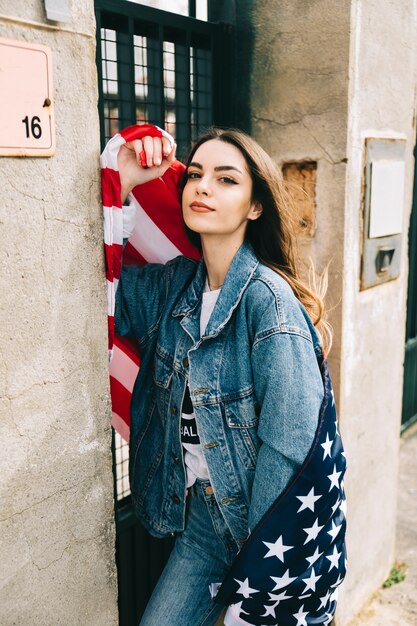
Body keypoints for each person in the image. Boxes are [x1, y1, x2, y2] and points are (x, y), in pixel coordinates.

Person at [102, 123, 346, 626]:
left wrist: (257, 583)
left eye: (227, 178)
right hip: (203, 526)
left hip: (264, 528)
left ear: (256, 206)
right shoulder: (176, 288)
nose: (204, 187)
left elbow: (290, 449)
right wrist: (122, 184)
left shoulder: (269, 307)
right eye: (195, 174)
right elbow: (104, 289)